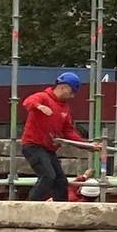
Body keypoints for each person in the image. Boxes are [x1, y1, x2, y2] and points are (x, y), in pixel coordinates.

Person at [17, 71, 99, 201]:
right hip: (33, 145)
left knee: (61, 182)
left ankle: (61, 210)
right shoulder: (43, 97)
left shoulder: (64, 108)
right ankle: (29, 206)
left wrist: (86, 145)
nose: (72, 96)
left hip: (49, 149)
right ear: (63, 87)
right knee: (47, 176)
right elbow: (28, 101)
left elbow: (68, 131)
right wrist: (39, 106)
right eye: (72, 92)